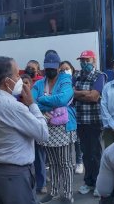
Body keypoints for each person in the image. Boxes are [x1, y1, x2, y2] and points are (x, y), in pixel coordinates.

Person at [0, 56, 49, 204]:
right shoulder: (15, 108)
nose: (19, 78)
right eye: (17, 75)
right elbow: (43, 134)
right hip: (15, 175)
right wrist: (32, 104)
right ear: (7, 81)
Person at [33, 51, 77, 204]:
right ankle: (54, 191)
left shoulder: (65, 79)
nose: (50, 70)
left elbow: (64, 98)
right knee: (52, 163)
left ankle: (67, 194)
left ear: (58, 67)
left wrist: (42, 99)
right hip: (47, 129)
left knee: (65, 163)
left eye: (53, 67)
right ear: (44, 68)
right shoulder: (39, 83)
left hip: (63, 128)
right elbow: (31, 102)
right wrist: (50, 103)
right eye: (47, 67)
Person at [73, 50, 106, 196]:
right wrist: (84, 93)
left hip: (94, 120)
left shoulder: (100, 75)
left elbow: (94, 97)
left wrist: (78, 93)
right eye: (82, 60)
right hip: (80, 120)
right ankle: (88, 182)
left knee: (96, 153)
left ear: (93, 60)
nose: (84, 63)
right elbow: (70, 93)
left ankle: (99, 183)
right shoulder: (76, 75)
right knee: (86, 153)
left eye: (87, 60)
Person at [59, 61, 83, 174]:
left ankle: (79, 162)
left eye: (67, 68)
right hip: (61, 115)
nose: (65, 71)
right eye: (62, 69)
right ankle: (67, 162)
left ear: (72, 69)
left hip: (75, 113)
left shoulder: (76, 80)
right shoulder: (58, 82)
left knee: (77, 140)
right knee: (65, 140)